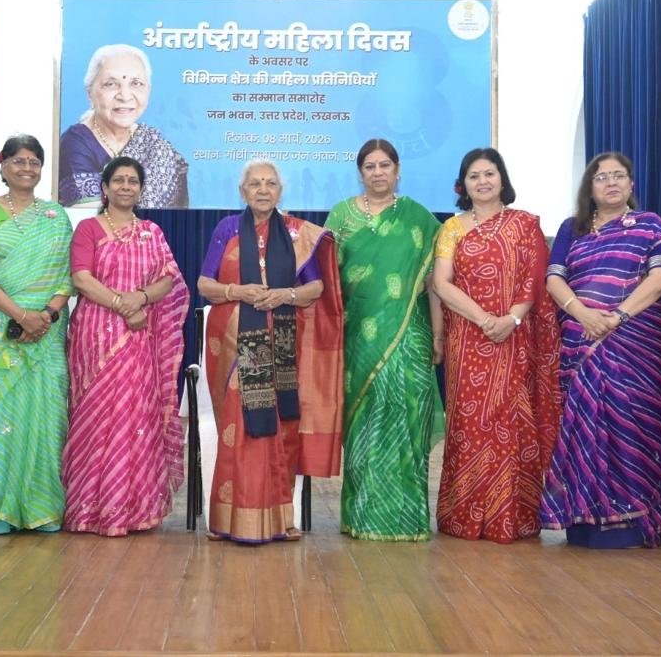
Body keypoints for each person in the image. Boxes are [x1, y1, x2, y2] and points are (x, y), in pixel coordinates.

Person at [539, 152, 661, 548]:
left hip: (637, 346)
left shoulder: (651, 225)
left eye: (618, 176)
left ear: (630, 184)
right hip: (581, 340)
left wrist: (616, 318)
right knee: (583, 427)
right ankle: (584, 522)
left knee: (633, 428)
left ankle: (632, 525)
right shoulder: (572, 229)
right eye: (601, 177)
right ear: (589, 187)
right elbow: (554, 281)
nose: (610, 182)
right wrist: (584, 314)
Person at [197, 160, 344, 543]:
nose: (263, 190)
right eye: (255, 184)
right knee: (239, 430)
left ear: (281, 191)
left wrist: (286, 294)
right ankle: (229, 520)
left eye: (271, 184)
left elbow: (317, 289)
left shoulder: (298, 233)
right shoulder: (226, 229)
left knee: (278, 432)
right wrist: (239, 292)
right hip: (236, 345)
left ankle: (280, 519)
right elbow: (204, 283)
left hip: (281, 344)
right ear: (242, 191)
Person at [433, 147, 559, 543]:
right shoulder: (451, 229)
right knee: (470, 422)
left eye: (489, 174)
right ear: (463, 185)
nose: (482, 182)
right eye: (474, 176)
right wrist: (485, 319)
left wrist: (512, 319)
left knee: (511, 422)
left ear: (502, 179)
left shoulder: (524, 225)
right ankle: (463, 514)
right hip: (468, 340)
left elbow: (534, 280)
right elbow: (441, 283)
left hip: (515, 337)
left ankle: (513, 515)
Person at [61, 156, 190, 535]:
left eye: (133, 181)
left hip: (139, 334)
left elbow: (169, 279)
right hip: (97, 333)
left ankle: (132, 509)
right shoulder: (88, 228)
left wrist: (140, 298)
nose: (125, 186)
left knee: (136, 417)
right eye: (118, 180)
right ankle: (89, 509)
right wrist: (123, 304)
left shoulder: (152, 231)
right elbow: (81, 279)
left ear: (140, 188)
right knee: (96, 417)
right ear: (104, 187)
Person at [325, 139, 444, 541]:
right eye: (370, 166)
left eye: (385, 165)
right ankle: (361, 516)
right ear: (360, 173)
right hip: (357, 336)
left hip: (410, 334)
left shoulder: (419, 219)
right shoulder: (340, 216)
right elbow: (323, 279)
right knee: (364, 425)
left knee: (408, 418)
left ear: (397, 170)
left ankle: (408, 519)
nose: (378, 173)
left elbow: (433, 284)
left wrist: (439, 335)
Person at [0, 135, 73, 533]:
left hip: (46, 333)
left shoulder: (56, 217)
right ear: (4, 166)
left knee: (46, 417)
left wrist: (43, 314)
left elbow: (66, 276)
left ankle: (42, 505)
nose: (27, 167)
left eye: (34, 161)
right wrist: (20, 314)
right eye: (19, 161)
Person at [58, 44, 190, 208]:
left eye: (136, 83)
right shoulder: (75, 145)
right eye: (111, 84)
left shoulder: (155, 145)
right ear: (90, 94)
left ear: (148, 90)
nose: (125, 96)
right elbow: (89, 217)